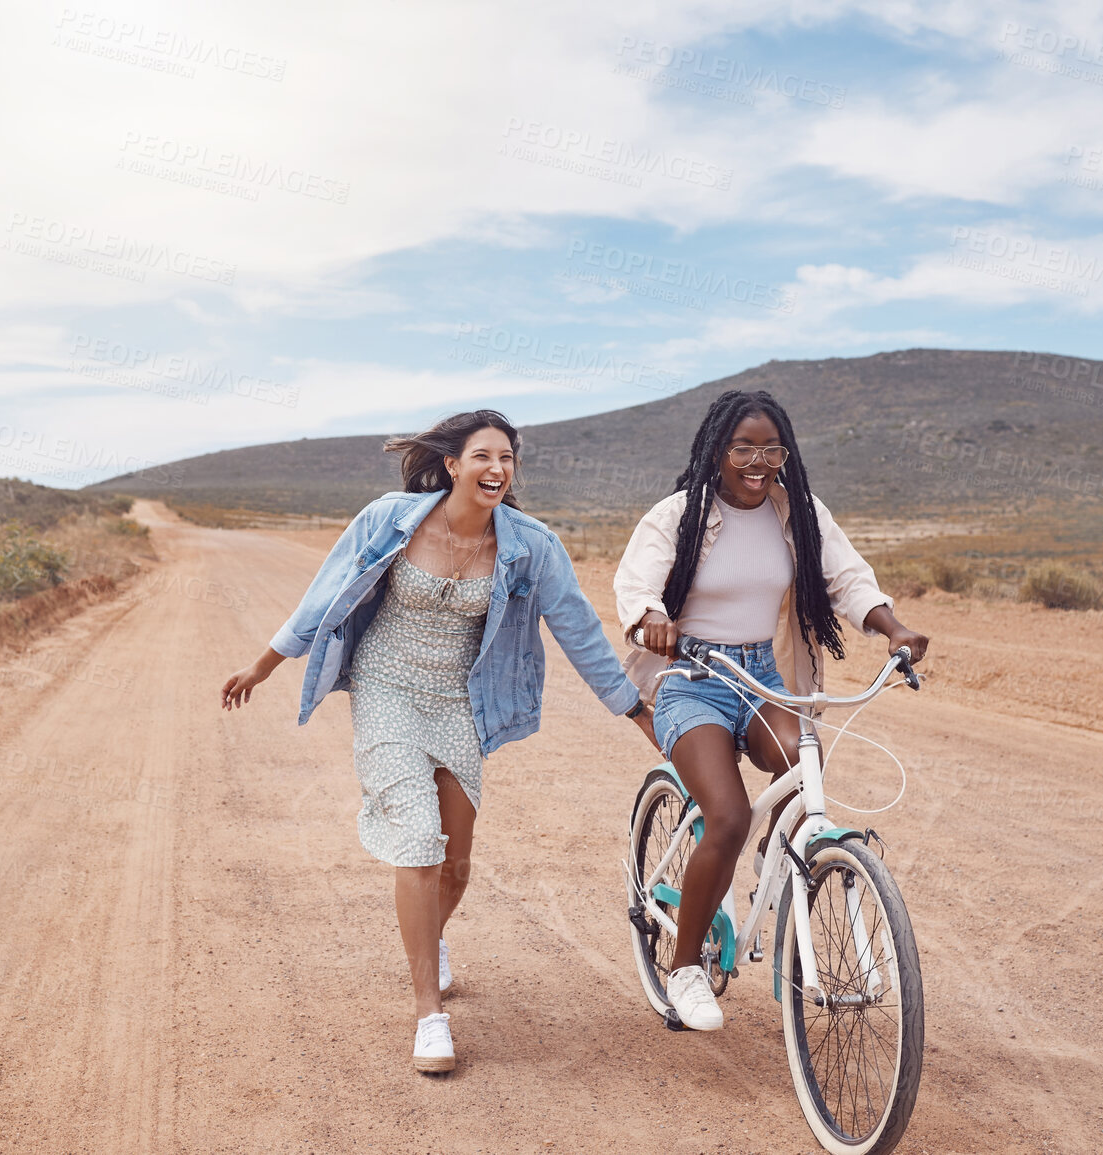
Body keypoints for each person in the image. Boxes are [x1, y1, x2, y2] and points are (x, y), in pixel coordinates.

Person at [220, 410, 643, 1072]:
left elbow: (580, 630)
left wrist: (633, 709)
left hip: (459, 702)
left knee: (456, 865)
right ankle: (429, 1016)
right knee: (417, 842)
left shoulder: (530, 545)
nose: (496, 468)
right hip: (386, 687)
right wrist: (263, 664)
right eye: (482, 455)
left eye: (506, 457)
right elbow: (323, 593)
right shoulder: (391, 518)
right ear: (452, 464)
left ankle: (431, 935)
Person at [613, 389, 929, 1031]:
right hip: (695, 676)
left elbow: (847, 579)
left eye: (771, 448)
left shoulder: (800, 512)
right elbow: (637, 583)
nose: (758, 461)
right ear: (717, 451)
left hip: (763, 674)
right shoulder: (679, 515)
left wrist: (892, 628)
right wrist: (651, 620)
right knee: (726, 815)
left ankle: (776, 861)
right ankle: (684, 969)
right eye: (744, 448)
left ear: (785, 453)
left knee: (800, 766)